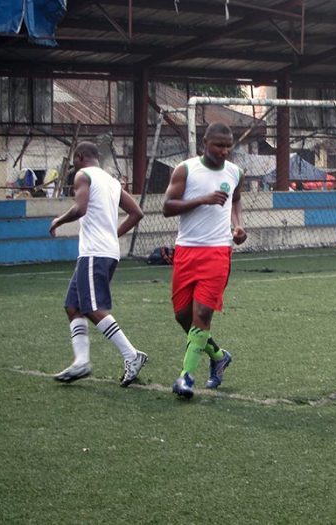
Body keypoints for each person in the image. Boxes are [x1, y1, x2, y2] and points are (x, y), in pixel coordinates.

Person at [49, 141, 147, 386]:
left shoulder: (83, 176)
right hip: (104, 251)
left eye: (74, 161)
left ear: (80, 157)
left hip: (94, 253)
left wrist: (58, 221)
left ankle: (132, 355)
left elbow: (80, 209)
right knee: (73, 306)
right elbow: (137, 213)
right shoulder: (112, 181)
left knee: (92, 308)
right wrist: (114, 234)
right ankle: (81, 362)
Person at [163, 122, 247, 400]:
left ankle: (186, 378)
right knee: (182, 316)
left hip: (217, 252)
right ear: (204, 144)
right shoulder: (186, 170)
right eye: (219, 145)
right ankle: (219, 356)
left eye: (228, 146)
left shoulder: (235, 172)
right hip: (186, 251)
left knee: (202, 316)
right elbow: (167, 207)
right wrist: (203, 200)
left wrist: (237, 226)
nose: (224, 151)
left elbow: (235, 201)